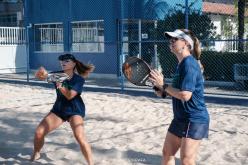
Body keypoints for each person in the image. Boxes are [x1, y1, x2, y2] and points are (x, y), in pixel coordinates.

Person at [149, 29, 209, 165]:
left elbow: (185, 95)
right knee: (167, 154)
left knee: (187, 160)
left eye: (175, 39)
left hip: (194, 119)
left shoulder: (189, 64)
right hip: (180, 118)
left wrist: (163, 85)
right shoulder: (181, 64)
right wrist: (161, 90)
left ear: (186, 44)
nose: (171, 41)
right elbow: (175, 92)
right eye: (170, 39)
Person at [31, 53, 95, 165]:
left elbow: (70, 95)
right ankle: (37, 152)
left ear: (74, 64)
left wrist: (59, 82)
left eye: (66, 61)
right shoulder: (58, 75)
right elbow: (40, 76)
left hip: (75, 109)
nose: (63, 63)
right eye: (61, 61)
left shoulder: (78, 79)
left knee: (79, 136)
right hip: (59, 109)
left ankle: (91, 163)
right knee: (38, 132)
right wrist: (39, 73)